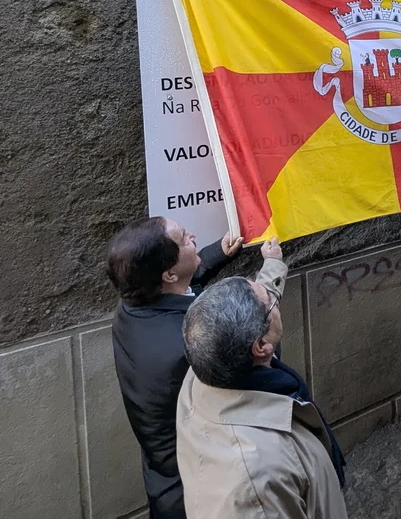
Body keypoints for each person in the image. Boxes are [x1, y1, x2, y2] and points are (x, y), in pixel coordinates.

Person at [106, 217, 286, 519]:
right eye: (182, 239)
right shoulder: (188, 343)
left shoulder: (132, 307)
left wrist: (219, 252)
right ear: (168, 272)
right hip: (201, 488)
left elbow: (183, 289)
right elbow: (257, 337)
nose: (192, 234)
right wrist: (273, 267)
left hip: (165, 477)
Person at [178, 276, 347, 519]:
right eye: (271, 303)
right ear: (261, 346)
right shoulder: (255, 483)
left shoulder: (207, 369)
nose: (276, 303)